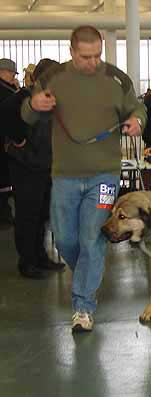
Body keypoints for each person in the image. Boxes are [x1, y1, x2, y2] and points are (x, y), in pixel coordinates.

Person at [21, 26, 147, 332]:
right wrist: (33, 105)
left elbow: (138, 108)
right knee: (65, 239)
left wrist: (137, 121)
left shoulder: (117, 79)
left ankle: (83, 307)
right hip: (64, 175)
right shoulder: (53, 77)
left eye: (97, 56)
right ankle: (87, 276)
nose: (92, 62)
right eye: (85, 56)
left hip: (104, 175)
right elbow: (28, 115)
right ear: (71, 51)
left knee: (92, 238)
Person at [2, 58, 63, 280]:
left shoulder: (54, 101)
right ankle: (27, 261)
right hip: (26, 166)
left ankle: (40, 256)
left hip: (47, 166)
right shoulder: (23, 97)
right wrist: (18, 141)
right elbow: (6, 118)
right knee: (28, 216)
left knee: (43, 215)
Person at [0, 58, 18, 225]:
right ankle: (4, 216)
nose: (13, 76)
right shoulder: (6, 92)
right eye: (11, 73)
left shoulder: (9, 89)